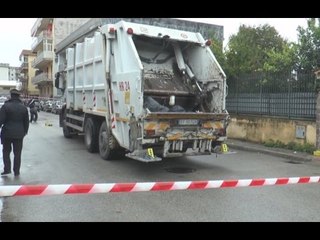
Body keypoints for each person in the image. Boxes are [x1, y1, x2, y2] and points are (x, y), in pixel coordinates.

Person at [0, 89, 29, 177]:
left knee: (6, 152)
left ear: (11, 96)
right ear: (18, 96)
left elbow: (1, 120)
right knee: (17, 153)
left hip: (7, 133)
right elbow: (26, 122)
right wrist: (24, 132)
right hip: (19, 134)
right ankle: (16, 171)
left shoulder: (5, 106)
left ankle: (7, 169)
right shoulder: (23, 108)